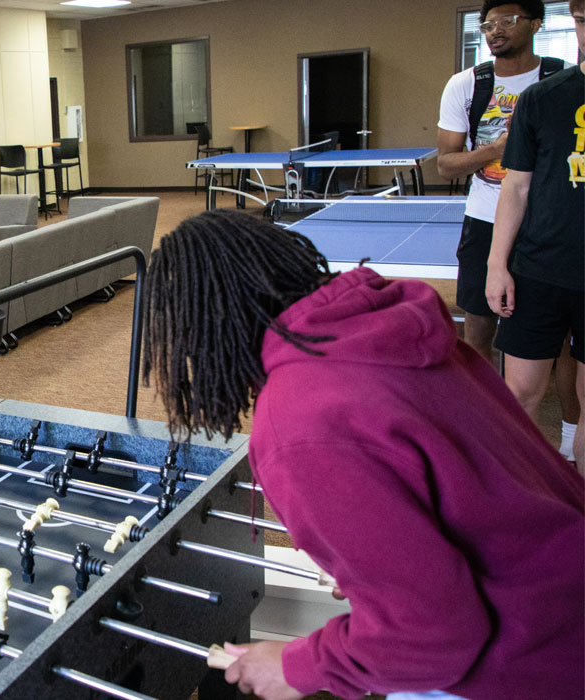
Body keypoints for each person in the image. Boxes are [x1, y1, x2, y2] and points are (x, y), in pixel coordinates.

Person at [142, 210, 584, 700]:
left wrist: (296, 667)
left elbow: (432, 636)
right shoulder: (387, 322)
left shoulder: (299, 421)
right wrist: (370, 564)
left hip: (532, 662)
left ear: (201, 335)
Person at [436, 0, 578, 461]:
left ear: (536, 24)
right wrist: (498, 148)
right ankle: (482, 434)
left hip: (551, 229)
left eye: (507, 21)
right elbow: (446, 163)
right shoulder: (468, 84)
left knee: (561, 348)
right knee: (478, 326)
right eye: (488, 24)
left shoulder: (556, 78)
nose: (495, 30)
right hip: (485, 223)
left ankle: (568, 439)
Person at [487, 0, 585, 467]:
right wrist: (496, 265)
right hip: (538, 271)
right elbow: (517, 187)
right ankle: (514, 513)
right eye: (584, 19)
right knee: (519, 397)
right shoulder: (544, 98)